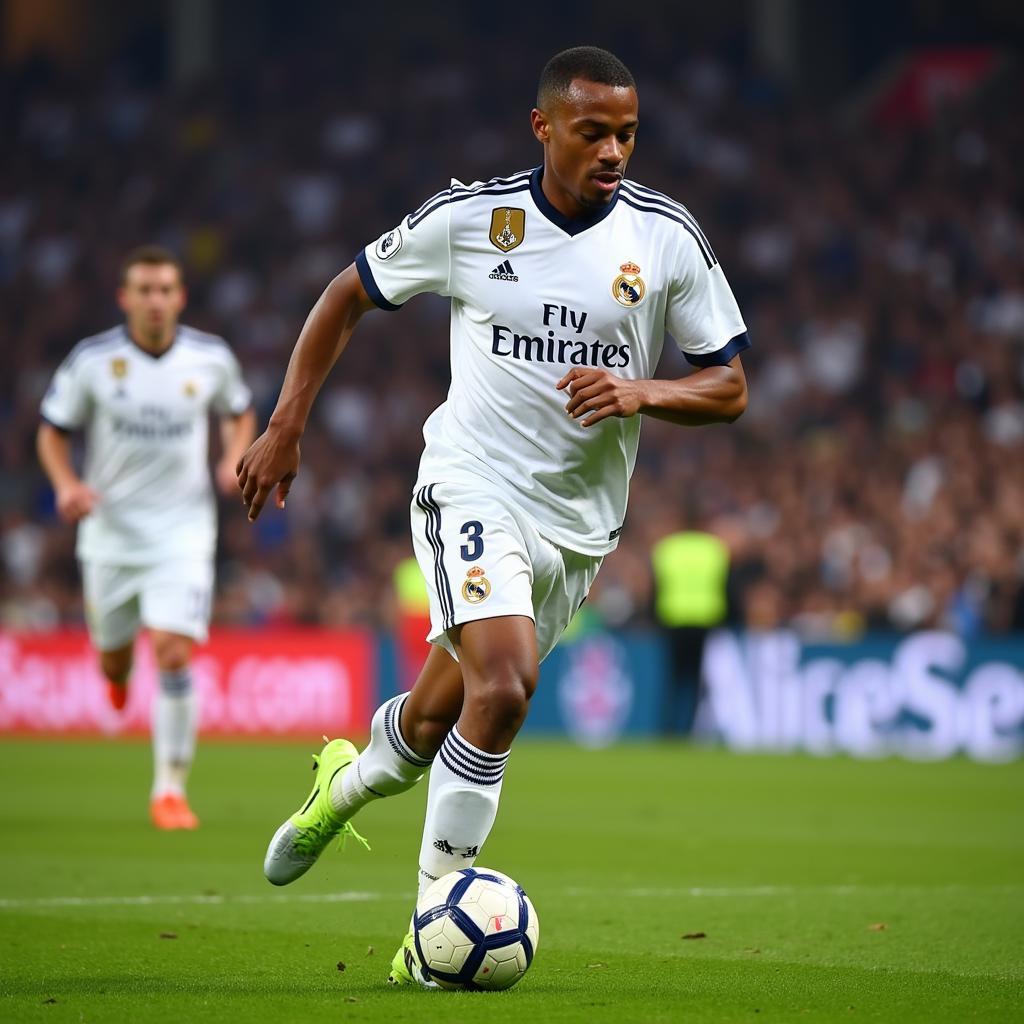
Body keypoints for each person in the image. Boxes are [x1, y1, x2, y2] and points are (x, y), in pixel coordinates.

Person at [237, 46, 749, 985]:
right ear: (544, 127)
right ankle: (435, 927)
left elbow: (729, 386)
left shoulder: (665, 237)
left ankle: (339, 789)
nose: (613, 151)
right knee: (506, 688)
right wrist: (286, 423)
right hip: (472, 483)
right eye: (592, 131)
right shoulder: (473, 220)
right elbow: (347, 293)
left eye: (627, 133)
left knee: (436, 722)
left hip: (580, 528)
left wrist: (644, 391)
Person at [37, 245, 255, 830]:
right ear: (125, 298)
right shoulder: (93, 361)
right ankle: (114, 676)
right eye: (145, 290)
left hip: (183, 532)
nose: (155, 300)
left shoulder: (209, 359)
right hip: (109, 532)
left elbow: (240, 411)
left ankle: (169, 790)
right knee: (114, 657)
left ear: (179, 297)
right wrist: (65, 485)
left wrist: (233, 457)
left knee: (173, 651)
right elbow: (52, 432)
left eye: (165, 290)